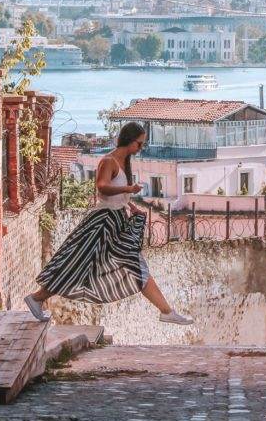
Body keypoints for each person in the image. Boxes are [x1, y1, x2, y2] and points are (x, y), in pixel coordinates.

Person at [24, 121, 193, 325]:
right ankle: (36, 298)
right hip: (103, 223)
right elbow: (102, 187)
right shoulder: (109, 161)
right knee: (77, 264)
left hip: (115, 221)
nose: (141, 148)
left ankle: (166, 311)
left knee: (112, 265)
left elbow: (115, 194)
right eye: (140, 144)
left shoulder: (124, 163)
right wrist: (127, 190)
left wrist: (130, 206)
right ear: (130, 141)